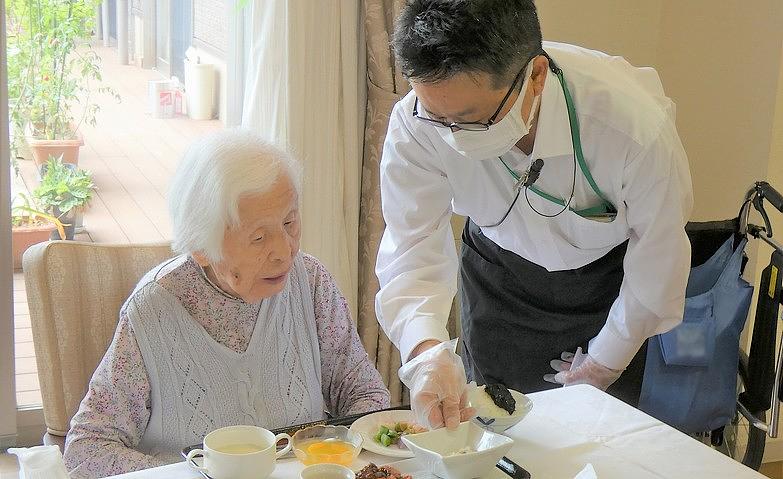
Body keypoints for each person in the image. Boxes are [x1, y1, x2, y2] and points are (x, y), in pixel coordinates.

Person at [376, 0, 693, 430]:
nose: (453, 136)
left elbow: (659, 255)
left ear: (536, 77)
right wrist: (426, 353)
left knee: (598, 442)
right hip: (498, 282)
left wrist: (605, 360)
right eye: (438, 117)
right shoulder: (415, 122)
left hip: (606, 291)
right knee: (498, 438)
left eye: (471, 118)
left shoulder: (631, 129)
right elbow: (410, 247)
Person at [64, 130, 390, 478]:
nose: (284, 251)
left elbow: (367, 398)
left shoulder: (310, 283)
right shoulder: (152, 312)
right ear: (202, 249)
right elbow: (87, 450)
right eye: (259, 237)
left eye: (290, 222)